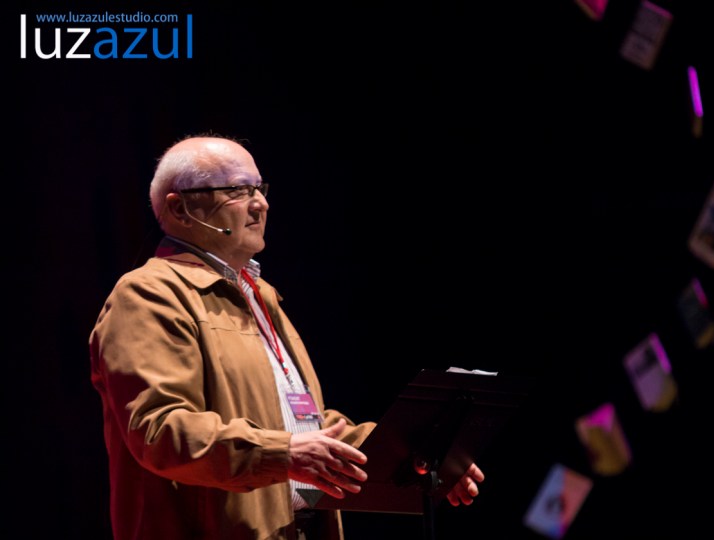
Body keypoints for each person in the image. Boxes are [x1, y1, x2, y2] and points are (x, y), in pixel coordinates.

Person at [89, 134, 485, 540]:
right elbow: (160, 430)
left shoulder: (259, 294)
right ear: (180, 208)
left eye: (259, 188)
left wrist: (418, 458)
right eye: (237, 190)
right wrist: (283, 454)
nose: (260, 203)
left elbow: (303, 423)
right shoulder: (147, 294)